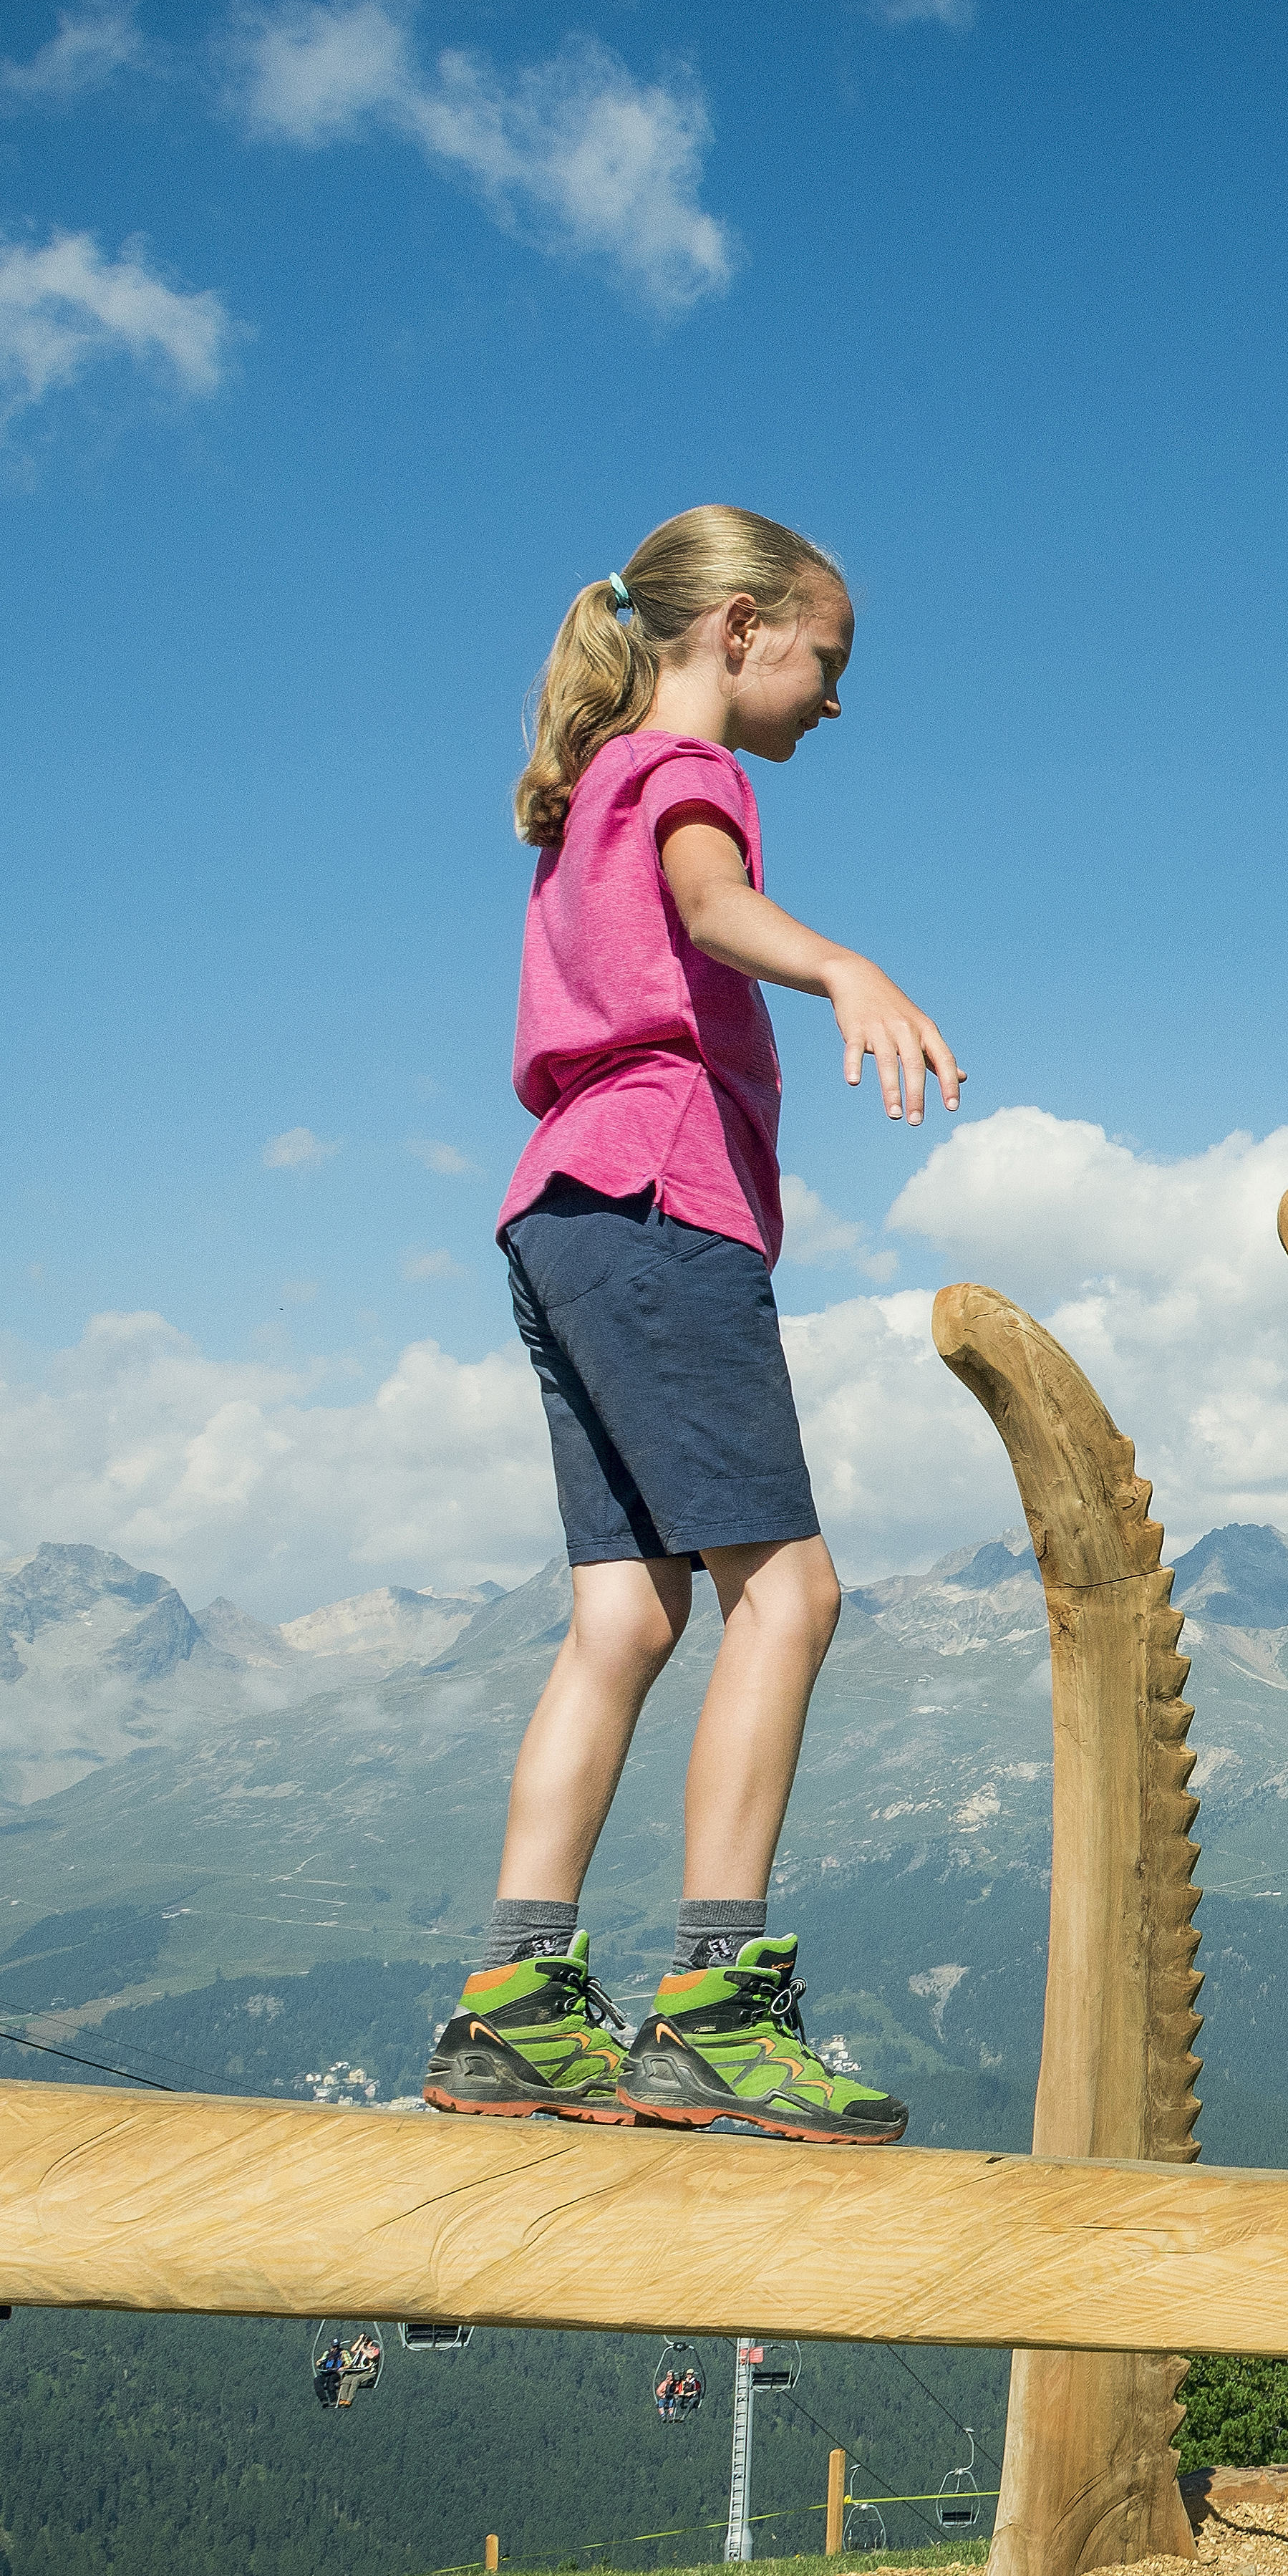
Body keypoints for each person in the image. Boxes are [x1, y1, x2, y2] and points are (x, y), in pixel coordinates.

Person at [417, 507, 958, 2148]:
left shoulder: (583, 790)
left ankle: (516, 2004)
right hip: (659, 1203)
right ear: (736, 629)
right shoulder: (685, 778)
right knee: (787, 1593)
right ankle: (715, 2008)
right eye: (825, 659)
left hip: (557, 1213)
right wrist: (842, 965)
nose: (836, 700)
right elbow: (712, 904)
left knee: (624, 1623)